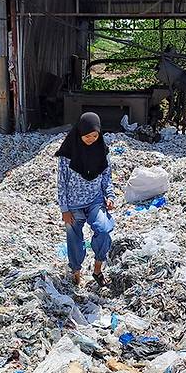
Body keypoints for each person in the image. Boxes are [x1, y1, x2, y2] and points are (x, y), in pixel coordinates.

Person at [55, 112, 115, 286]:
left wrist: (109, 195)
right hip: (73, 204)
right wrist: (64, 210)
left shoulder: (102, 151)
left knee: (103, 229)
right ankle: (76, 271)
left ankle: (97, 269)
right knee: (74, 238)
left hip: (95, 200)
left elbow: (106, 176)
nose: (91, 139)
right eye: (87, 136)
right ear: (79, 132)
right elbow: (62, 183)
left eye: (95, 136)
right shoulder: (67, 154)